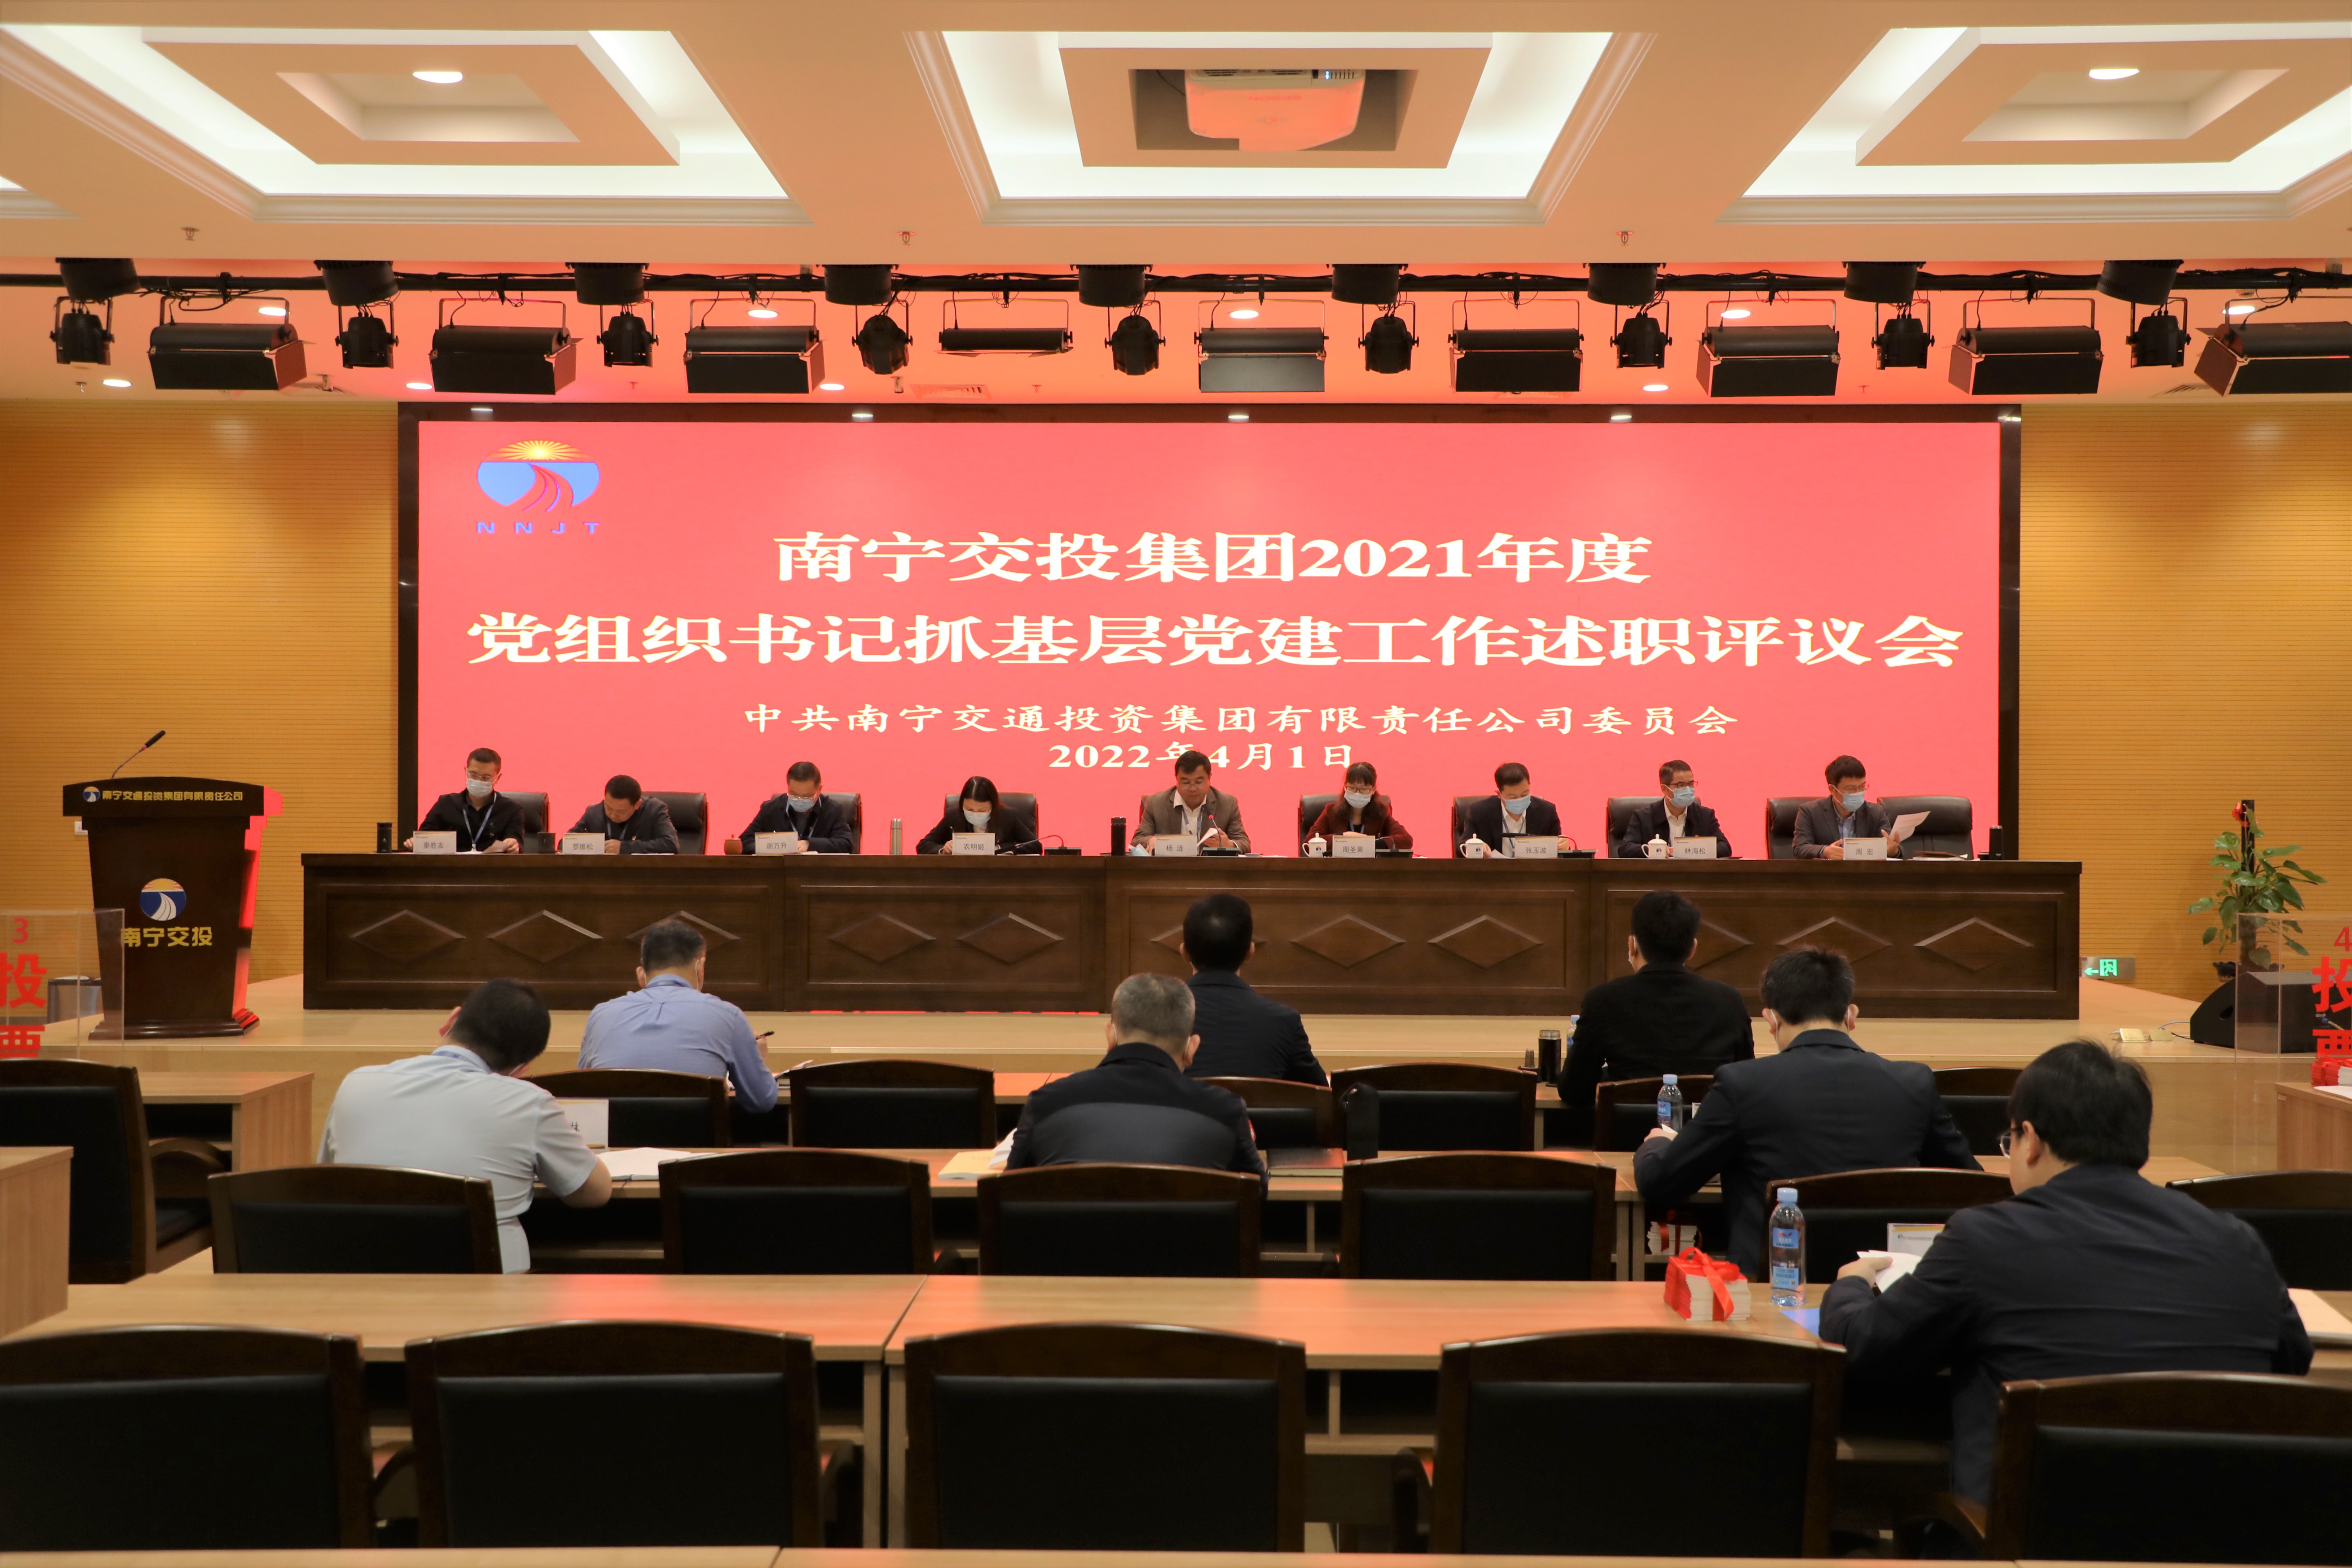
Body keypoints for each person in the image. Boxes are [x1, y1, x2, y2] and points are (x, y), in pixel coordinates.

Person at [1821, 1039, 2312, 1506]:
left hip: (2026, 1538)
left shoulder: (1984, 1238)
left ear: (2031, 1140)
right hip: (2214, 1536)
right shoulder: (2236, 1240)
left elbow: (1869, 1347)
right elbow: (2292, 1358)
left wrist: (1851, 1286)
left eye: (2010, 1139)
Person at [1634, 946, 1978, 1272]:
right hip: (1884, 1285)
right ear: (1851, 1015)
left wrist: (1658, 1142)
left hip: (1774, 1287)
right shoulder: (1913, 1082)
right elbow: (1971, 1184)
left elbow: (1661, 1183)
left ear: (1771, 1019)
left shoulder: (1742, 1084)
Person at [318, 978, 611, 1272]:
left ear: (452, 1020)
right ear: (521, 1068)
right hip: (488, 1290)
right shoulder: (529, 1101)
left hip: (364, 1281)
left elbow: (328, 1182)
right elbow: (594, 1192)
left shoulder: (356, 1084)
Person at [1006, 972, 1267, 1181]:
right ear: (1191, 1049)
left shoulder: (1047, 1103)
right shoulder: (1224, 1111)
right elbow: (1256, 1193)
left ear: (1111, 1037)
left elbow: (1009, 1191)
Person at [1557, 890, 1752, 1145]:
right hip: (1709, 1148)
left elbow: (1574, 1091)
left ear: (1632, 945)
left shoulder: (1603, 1000)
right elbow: (1745, 1086)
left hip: (1624, 1147)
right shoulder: (1729, 1001)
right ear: (1692, 949)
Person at [576, 920, 777, 1113]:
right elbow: (762, 1101)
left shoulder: (601, 1016)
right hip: (697, 1137)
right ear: (700, 968)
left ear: (642, 973)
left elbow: (579, 1096)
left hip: (617, 1137)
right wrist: (754, 1057)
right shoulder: (728, 1016)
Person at [1180, 893, 1326, 1085]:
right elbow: (1322, 1095)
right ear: (1251, 952)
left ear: (1184, 952)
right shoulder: (1283, 1022)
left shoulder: (1151, 1019)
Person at [411, 746, 525, 853]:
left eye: (486, 777)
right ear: (466, 772)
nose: (479, 781)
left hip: (492, 867)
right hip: (451, 866)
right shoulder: (446, 803)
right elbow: (424, 837)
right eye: (474, 775)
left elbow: (515, 841)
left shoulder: (512, 809)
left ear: (498, 778)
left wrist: (513, 845)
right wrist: (416, 843)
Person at [1614, 758, 1735, 858]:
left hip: (1694, 876)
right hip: (1656, 876)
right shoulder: (1644, 817)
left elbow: (1725, 848)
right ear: (1665, 789)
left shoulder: (1705, 816)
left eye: (1691, 784)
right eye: (1681, 785)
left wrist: (1692, 849)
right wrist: (1655, 850)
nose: (1688, 790)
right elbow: (1625, 849)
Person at [1133, 749, 1249, 852]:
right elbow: (1137, 841)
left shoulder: (1227, 804)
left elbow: (1244, 844)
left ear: (1209, 778)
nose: (1193, 788)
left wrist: (1229, 845)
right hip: (1169, 869)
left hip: (1211, 869)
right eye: (1186, 783)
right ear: (1177, 779)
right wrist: (1151, 841)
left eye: (1199, 782)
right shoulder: (1156, 803)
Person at [1792, 755, 1904, 860]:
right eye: (1851, 788)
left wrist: (1893, 851)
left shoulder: (1876, 813)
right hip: (1826, 874)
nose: (1858, 793)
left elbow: (1893, 847)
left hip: (1865, 873)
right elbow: (1800, 848)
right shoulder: (1810, 812)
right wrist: (1825, 851)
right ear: (1833, 790)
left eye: (1862, 787)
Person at [736, 760, 853, 854]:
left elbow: (846, 844)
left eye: (807, 796)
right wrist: (775, 847)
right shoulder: (771, 809)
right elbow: (744, 843)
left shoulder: (833, 810)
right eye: (794, 795)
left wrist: (809, 844)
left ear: (819, 790)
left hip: (819, 873)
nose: (800, 800)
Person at [916, 775, 1039, 854]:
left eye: (982, 811)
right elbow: (923, 846)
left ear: (993, 806)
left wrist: (1002, 849)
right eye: (969, 809)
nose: (975, 814)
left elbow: (1035, 846)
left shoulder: (1008, 816)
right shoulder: (954, 816)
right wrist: (943, 850)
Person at [1305, 760, 1412, 851]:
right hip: (1338, 867)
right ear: (1345, 787)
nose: (1357, 793)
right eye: (1352, 788)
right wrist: (1343, 838)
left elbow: (1406, 840)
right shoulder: (1332, 811)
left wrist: (1370, 843)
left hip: (1371, 868)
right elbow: (1310, 843)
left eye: (1364, 789)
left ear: (1373, 790)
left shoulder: (1382, 812)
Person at [1458, 761, 1561, 855]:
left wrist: (1563, 846)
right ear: (1499, 794)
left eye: (1525, 794)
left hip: (1534, 870)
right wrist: (1476, 847)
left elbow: (1560, 852)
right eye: (1512, 797)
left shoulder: (1547, 812)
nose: (1519, 800)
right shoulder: (1479, 812)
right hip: (1493, 870)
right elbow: (1461, 850)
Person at [568, 774, 678, 855]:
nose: (613, 815)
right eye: (609, 808)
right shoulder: (594, 813)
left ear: (637, 805)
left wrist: (625, 848)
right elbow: (566, 843)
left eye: (621, 811)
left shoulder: (654, 810)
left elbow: (671, 844)